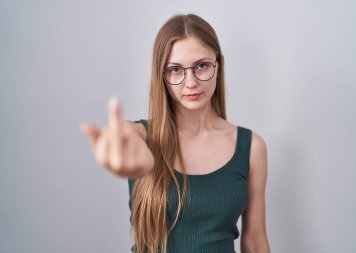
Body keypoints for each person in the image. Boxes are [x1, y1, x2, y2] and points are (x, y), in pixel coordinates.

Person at [81, 13, 270, 253]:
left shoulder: (251, 148)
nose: (190, 81)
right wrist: (115, 143)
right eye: (175, 70)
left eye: (201, 66)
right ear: (161, 75)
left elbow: (254, 241)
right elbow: (125, 137)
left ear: (219, 65)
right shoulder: (144, 137)